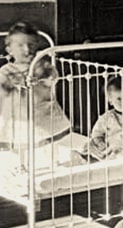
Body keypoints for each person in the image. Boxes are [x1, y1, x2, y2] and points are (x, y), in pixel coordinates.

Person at [0, 21, 70, 170]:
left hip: (43, 111)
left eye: (31, 44)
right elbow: (1, 92)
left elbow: (53, 79)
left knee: (50, 138)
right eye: (20, 45)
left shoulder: (41, 65)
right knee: (19, 141)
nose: (27, 49)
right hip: (19, 114)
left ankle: (55, 162)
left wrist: (41, 78)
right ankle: (20, 164)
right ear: (9, 50)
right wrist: (8, 83)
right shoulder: (6, 70)